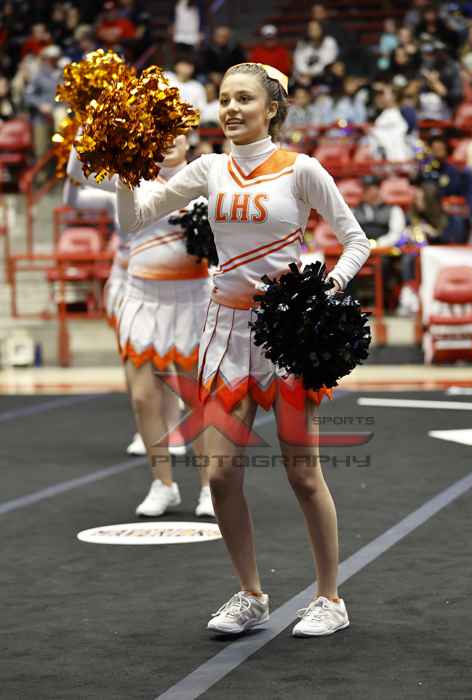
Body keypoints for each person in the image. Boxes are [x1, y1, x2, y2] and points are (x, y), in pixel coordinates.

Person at [117, 62, 370, 637]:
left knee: (303, 475)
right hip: (225, 335)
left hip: (286, 338)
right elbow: (135, 218)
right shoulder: (209, 168)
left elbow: (356, 241)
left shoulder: (301, 169)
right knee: (221, 475)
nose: (231, 109)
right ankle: (250, 595)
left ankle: (330, 598)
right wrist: (128, 170)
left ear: (271, 109)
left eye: (244, 99)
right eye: (225, 99)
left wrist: (322, 294)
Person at [65, 136, 214, 518]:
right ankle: (163, 484)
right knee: (143, 397)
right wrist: (89, 124)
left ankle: (209, 488)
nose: (169, 142)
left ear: (188, 139)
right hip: (142, 297)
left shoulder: (207, 177)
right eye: (161, 134)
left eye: (176, 134)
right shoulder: (132, 177)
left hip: (192, 301)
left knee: (196, 398)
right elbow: (76, 171)